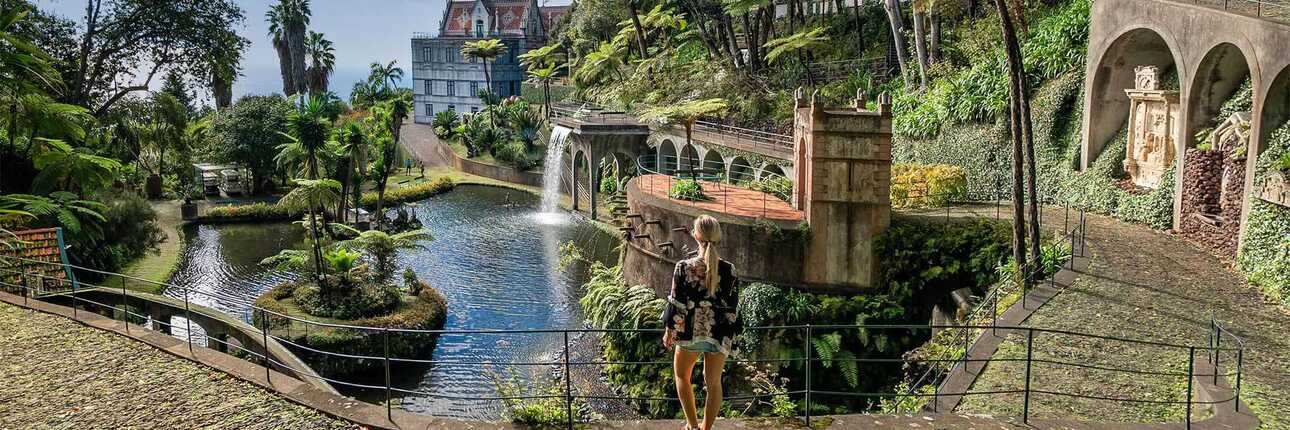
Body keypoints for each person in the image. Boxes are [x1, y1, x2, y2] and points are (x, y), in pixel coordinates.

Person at [662, 215, 740, 430]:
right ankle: (706, 428)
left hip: (689, 333)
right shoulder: (730, 270)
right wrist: (730, 339)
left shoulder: (683, 267)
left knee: (681, 376)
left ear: (696, 235)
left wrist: (669, 330)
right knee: (714, 384)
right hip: (718, 334)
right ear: (718, 237)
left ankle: (692, 426)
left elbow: (676, 302)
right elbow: (733, 307)